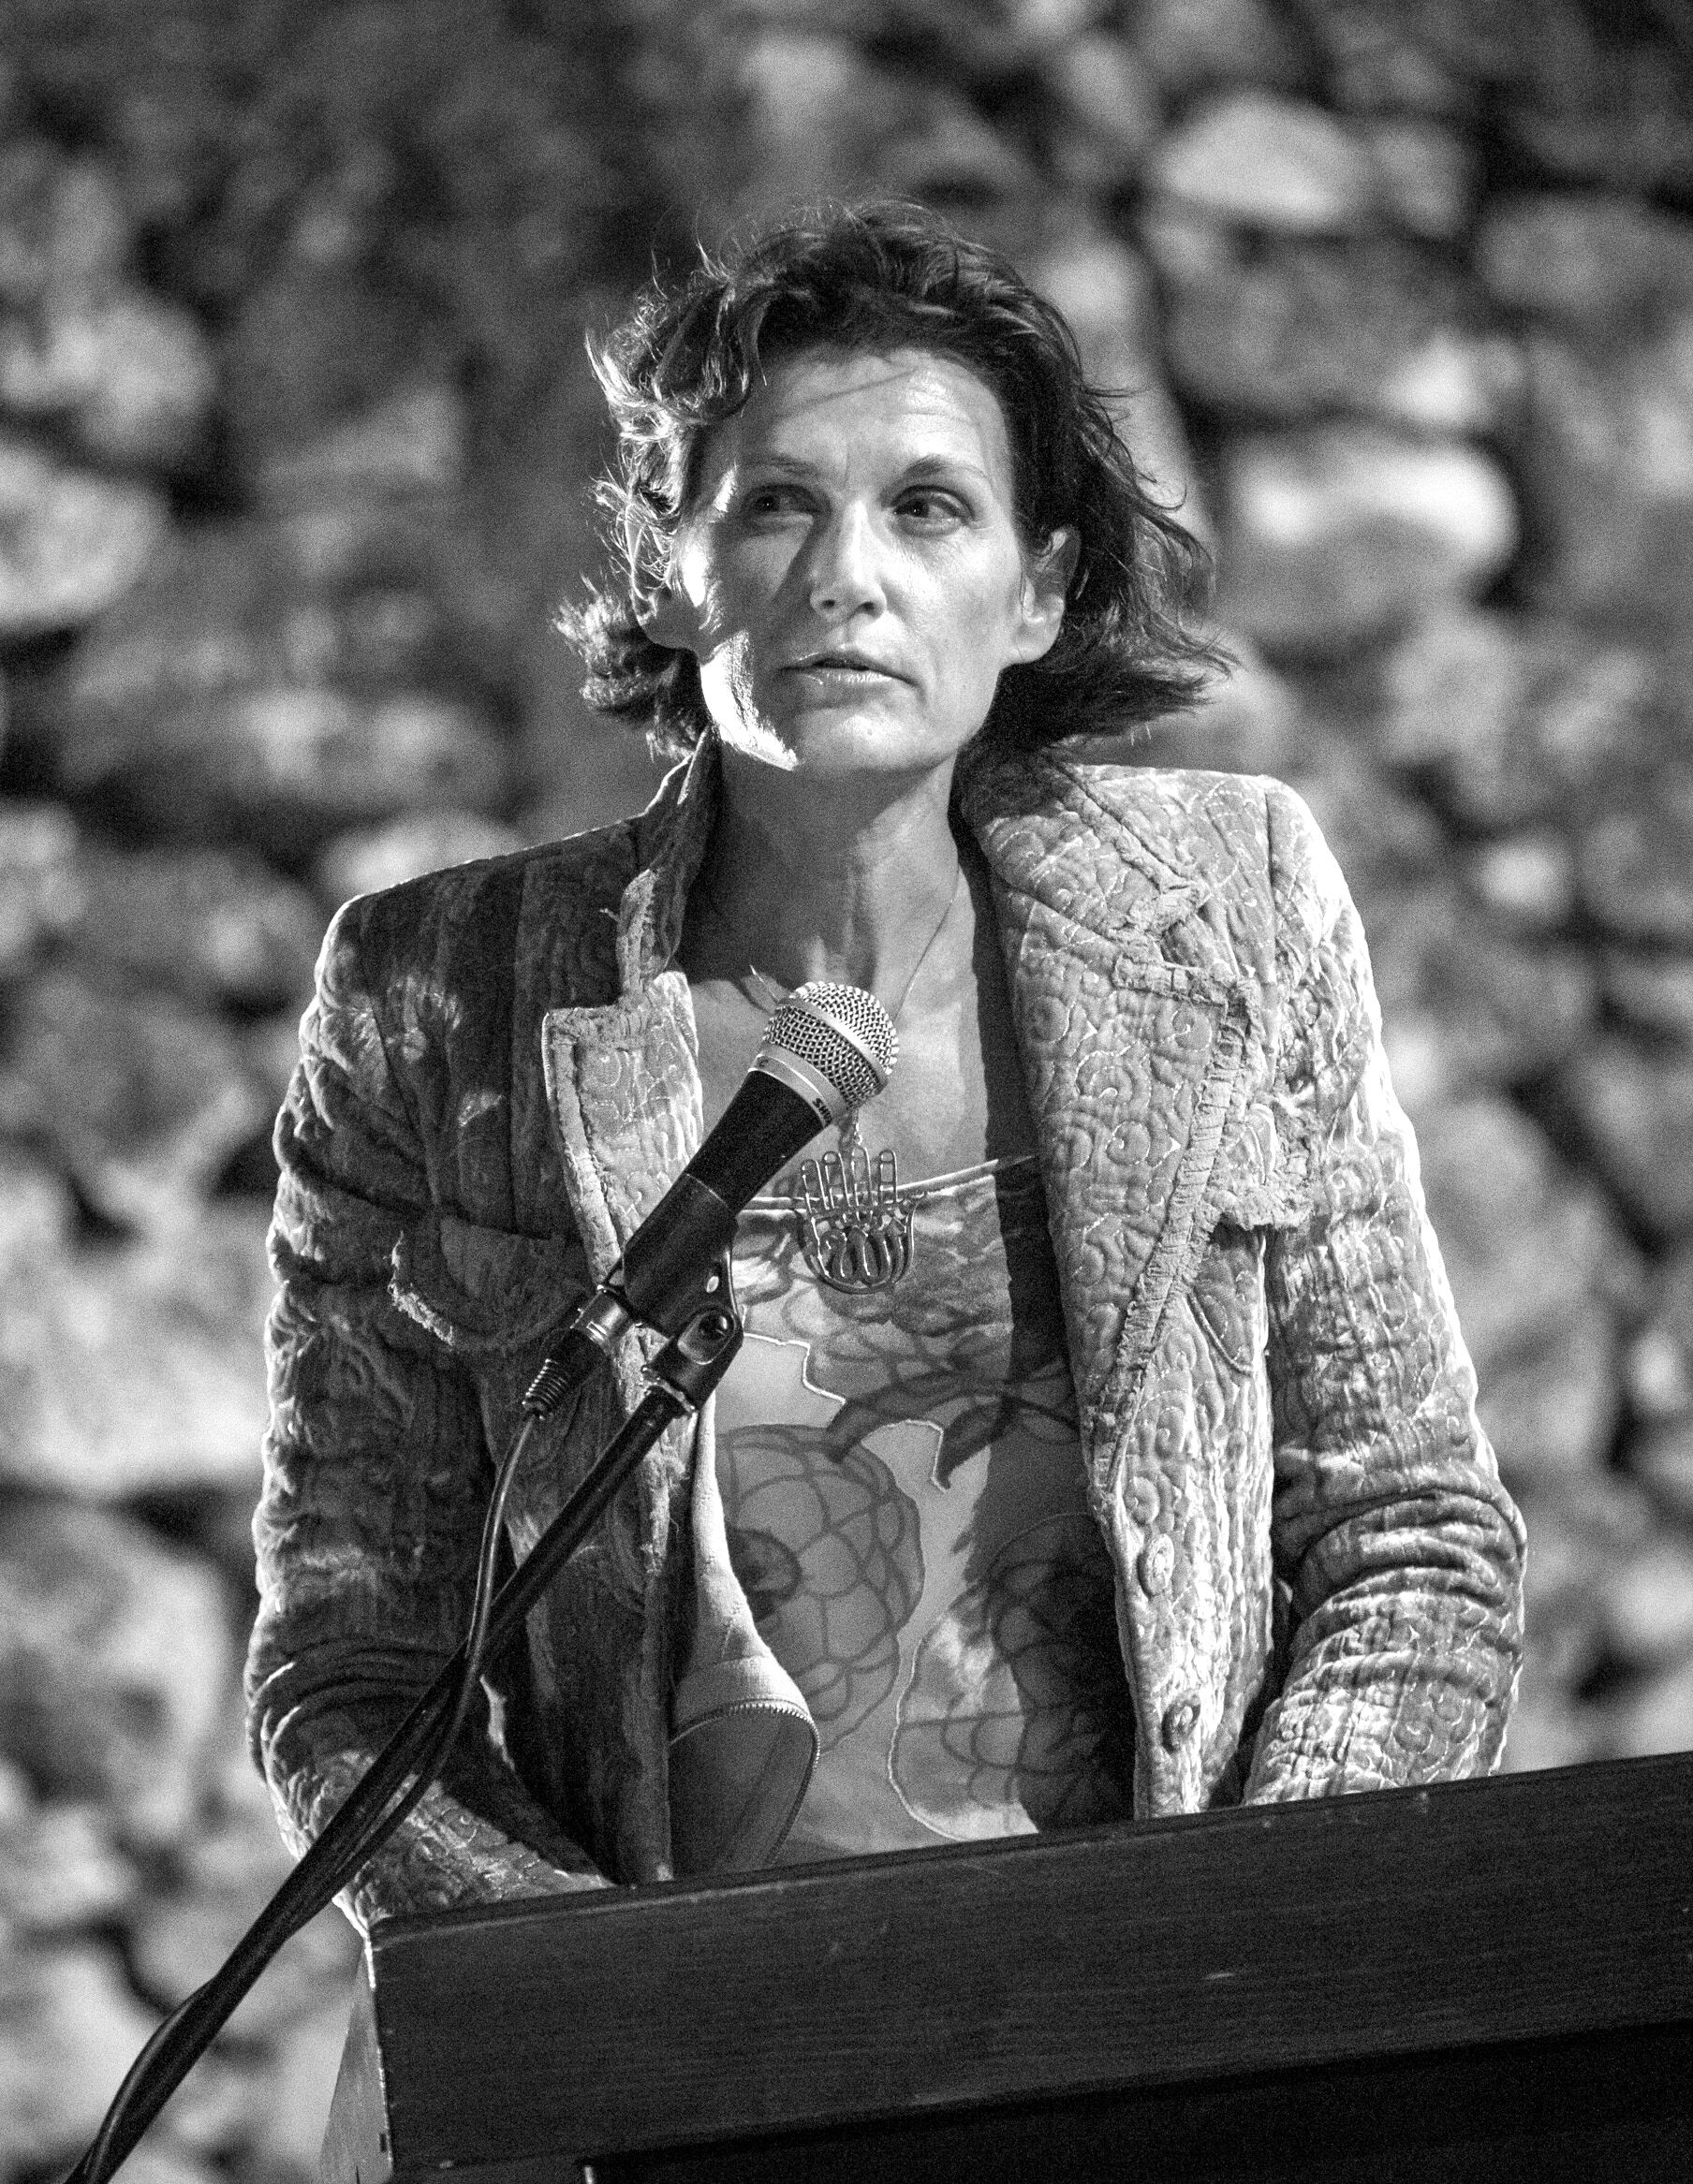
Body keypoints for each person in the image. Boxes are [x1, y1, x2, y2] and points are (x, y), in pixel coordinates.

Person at [248, 203, 1523, 1927]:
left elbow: (1413, 1533)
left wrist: (1250, 1943)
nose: (849, 571)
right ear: (672, 565)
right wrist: (586, 2002)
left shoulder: (1231, 912)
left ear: (1039, 588)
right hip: (693, 2070)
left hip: (1174, 2028)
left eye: (929, 507)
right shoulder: (438, 1002)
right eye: (778, 502)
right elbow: (355, 1662)